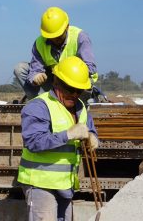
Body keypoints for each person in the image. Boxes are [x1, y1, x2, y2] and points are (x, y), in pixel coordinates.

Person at [17, 56, 99, 221]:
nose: (75, 94)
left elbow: (90, 130)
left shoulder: (81, 108)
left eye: (79, 90)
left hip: (65, 185)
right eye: (70, 89)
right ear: (56, 82)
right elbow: (33, 142)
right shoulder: (38, 106)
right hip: (41, 184)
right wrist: (68, 135)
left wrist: (92, 138)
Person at [14, 6, 97, 103]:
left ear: (67, 27)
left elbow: (90, 68)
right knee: (20, 69)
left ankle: (76, 104)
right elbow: (35, 69)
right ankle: (41, 104)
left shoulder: (80, 37)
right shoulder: (39, 43)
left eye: (58, 36)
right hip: (54, 81)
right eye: (51, 36)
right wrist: (36, 76)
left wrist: (66, 74)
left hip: (74, 84)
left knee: (79, 92)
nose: (54, 39)